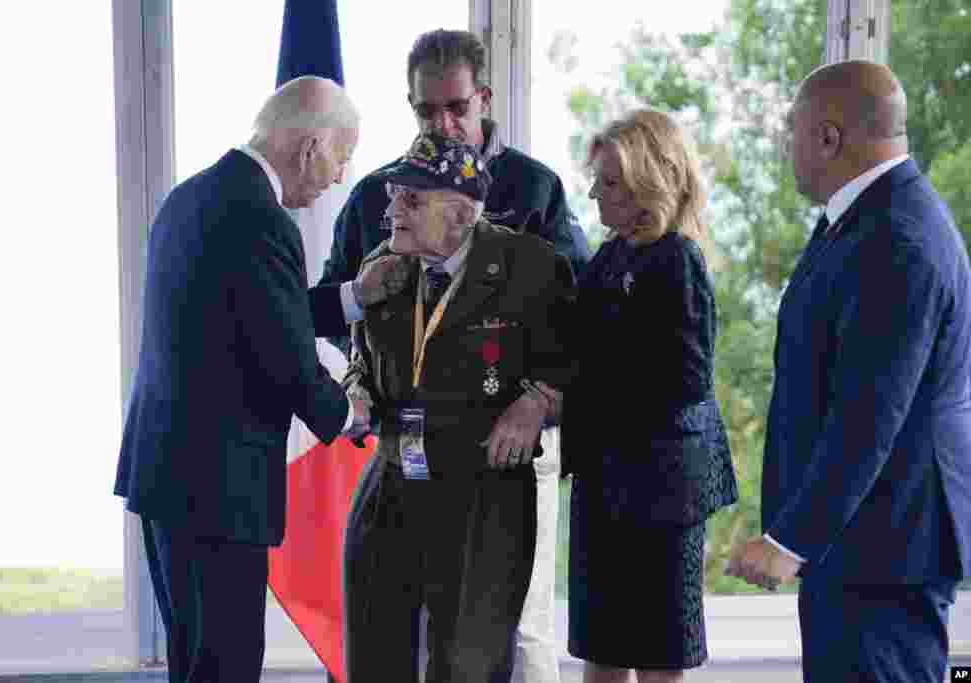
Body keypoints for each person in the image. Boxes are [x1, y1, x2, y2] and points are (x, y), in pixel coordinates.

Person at [322, 28, 590, 683]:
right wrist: (367, 378)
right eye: (425, 110)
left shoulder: (533, 190)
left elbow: (582, 320)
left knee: (513, 630)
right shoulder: (376, 196)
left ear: (484, 99)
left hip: (503, 446)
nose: (442, 123)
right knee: (390, 621)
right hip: (403, 442)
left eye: (456, 108)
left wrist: (537, 397)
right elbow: (339, 307)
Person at [114, 76, 390, 683]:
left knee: (197, 664)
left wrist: (354, 297)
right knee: (226, 666)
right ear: (312, 146)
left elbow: (257, 312)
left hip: (169, 477)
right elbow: (285, 359)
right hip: (216, 489)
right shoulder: (258, 216)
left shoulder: (196, 196)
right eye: (342, 156)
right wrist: (351, 417)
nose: (340, 177)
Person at [726, 60, 971, 682]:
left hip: (885, 548)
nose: (787, 149)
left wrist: (790, 541)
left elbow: (870, 414)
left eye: (792, 133)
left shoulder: (898, 236)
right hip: (858, 545)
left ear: (829, 137)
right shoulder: (862, 219)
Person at [537, 109, 738, 683]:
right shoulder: (612, 253)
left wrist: (573, 401)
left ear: (652, 179)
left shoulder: (677, 258)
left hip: (662, 493)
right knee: (601, 647)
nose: (596, 196)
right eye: (596, 181)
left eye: (610, 183)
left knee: (656, 655)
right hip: (609, 484)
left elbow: (685, 382)